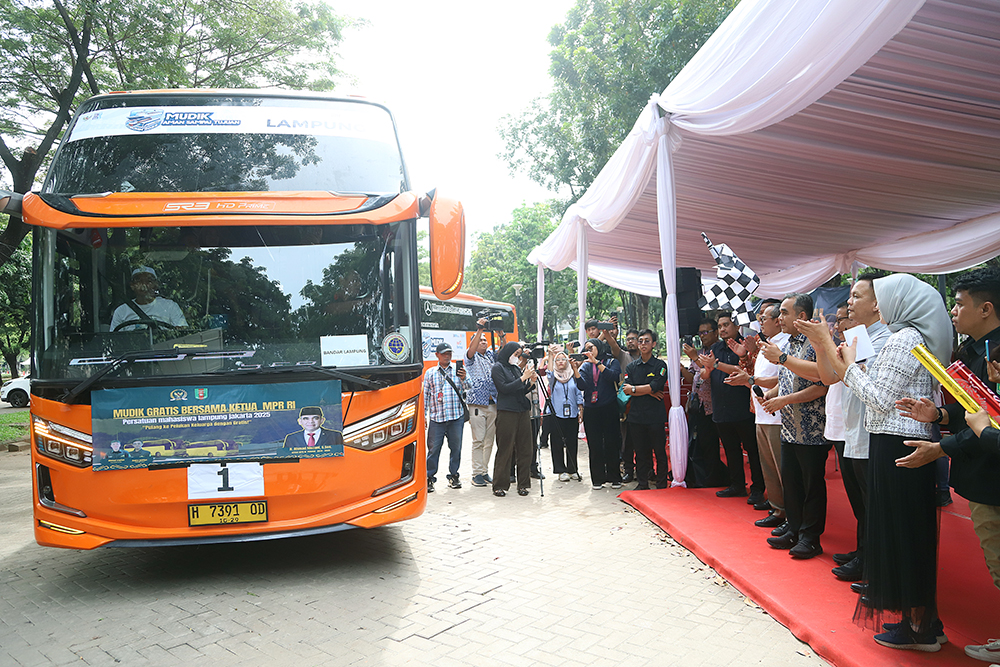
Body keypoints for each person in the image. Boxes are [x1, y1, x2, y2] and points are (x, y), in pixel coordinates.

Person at [824, 273, 952, 652]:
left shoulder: (903, 339)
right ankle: (925, 621)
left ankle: (918, 628)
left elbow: (879, 399)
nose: (858, 302)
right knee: (909, 532)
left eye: (870, 295)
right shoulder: (914, 338)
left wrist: (848, 369)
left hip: (896, 445)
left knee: (902, 534)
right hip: (903, 443)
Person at [892, 267, 1000, 659]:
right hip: (981, 472)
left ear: (986, 308)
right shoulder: (974, 349)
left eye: (958, 304)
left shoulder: (996, 352)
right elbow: (974, 413)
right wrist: (938, 417)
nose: (952, 312)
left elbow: (992, 424)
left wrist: (941, 448)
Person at [798, 274, 891, 583]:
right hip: (852, 431)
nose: (848, 303)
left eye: (856, 297)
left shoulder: (884, 338)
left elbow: (859, 381)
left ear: (877, 304)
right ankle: (865, 553)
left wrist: (825, 342)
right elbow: (831, 377)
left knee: (871, 505)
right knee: (861, 504)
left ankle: (873, 563)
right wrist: (822, 346)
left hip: (868, 432)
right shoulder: (858, 337)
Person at [758, 294, 828, 560]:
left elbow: (821, 383)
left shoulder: (815, 342)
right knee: (792, 482)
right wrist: (773, 392)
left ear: (801, 316)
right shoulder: (788, 342)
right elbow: (789, 377)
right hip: (789, 426)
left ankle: (811, 538)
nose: (779, 319)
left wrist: (783, 399)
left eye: (784, 313)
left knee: (812, 485)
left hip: (812, 429)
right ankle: (795, 529)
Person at [725, 302, 789, 529]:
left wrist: (750, 380)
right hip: (761, 413)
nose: (760, 322)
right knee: (768, 466)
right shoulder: (765, 346)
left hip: (778, 414)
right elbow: (755, 376)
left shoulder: (785, 344)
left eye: (764, 319)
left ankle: (790, 514)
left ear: (777, 322)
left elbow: (782, 378)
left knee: (782, 467)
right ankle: (778, 508)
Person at [699, 312, 765, 502]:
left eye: (726, 324)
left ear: (737, 326)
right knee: (730, 449)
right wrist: (708, 368)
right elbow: (705, 373)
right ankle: (737, 485)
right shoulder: (715, 348)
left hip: (743, 406)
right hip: (721, 407)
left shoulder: (747, 346)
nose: (723, 329)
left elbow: (745, 371)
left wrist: (716, 365)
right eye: (720, 326)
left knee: (752, 449)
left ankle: (758, 487)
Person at [682, 319, 729, 488]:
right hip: (698, 405)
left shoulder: (718, 350)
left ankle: (717, 477)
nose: (702, 336)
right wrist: (681, 368)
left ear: (715, 332)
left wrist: (695, 357)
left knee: (715, 443)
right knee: (701, 442)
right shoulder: (701, 351)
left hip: (716, 405)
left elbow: (709, 372)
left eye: (706, 332)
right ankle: (702, 476)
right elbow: (692, 377)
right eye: (700, 333)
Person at [621, 329, 669, 489]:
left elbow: (657, 385)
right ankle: (642, 483)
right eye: (640, 341)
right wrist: (648, 391)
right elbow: (627, 389)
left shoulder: (660, 365)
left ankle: (661, 483)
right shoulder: (632, 366)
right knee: (640, 453)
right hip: (636, 416)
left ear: (654, 344)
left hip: (655, 416)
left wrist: (637, 390)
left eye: (646, 341)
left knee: (659, 452)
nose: (642, 344)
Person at [575, 338, 623, 489]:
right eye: (587, 348)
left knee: (612, 442)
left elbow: (613, 376)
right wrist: (575, 369)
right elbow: (582, 385)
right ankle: (598, 479)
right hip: (591, 408)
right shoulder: (585, 366)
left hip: (609, 406)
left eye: (592, 347)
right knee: (594, 444)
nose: (589, 350)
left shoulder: (610, 361)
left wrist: (597, 362)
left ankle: (614, 477)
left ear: (600, 347)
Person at [422, 342, 469, 493]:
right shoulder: (430, 373)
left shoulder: (458, 369)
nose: (447, 356)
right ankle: (429, 478)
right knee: (433, 450)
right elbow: (426, 396)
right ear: (437, 355)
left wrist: (465, 378)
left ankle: (454, 476)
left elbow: (469, 388)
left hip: (456, 417)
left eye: (449, 353)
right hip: (437, 419)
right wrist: (423, 415)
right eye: (444, 353)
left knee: (456, 448)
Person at [491, 342, 536, 497]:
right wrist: (523, 378)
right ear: (508, 352)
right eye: (515, 354)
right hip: (507, 412)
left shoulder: (516, 368)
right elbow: (504, 388)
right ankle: (499, 485)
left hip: (522, 410)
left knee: (525, 448)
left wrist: (530, 383)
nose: (517, 357)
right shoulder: (498, 367)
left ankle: (523, 484)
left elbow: (520, 390)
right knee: (505, 448)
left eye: (519, 355)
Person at [466, 318, 500, 487]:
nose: (483, 342)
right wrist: (479, 330)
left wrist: (502, 337)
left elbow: (505, 355)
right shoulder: (471, 358)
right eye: (480, 340)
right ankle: (476, 473)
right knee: (478, 440)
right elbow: (470, 351)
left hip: (493, 403)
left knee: (489, 440)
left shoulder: (490, 357)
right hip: (477, 404)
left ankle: (484, 472)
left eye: (485, 340)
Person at [545, 347, 584, 482]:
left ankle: (572, 469)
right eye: (558, 360)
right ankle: (560, 470)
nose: (561, 362)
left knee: (572, 442)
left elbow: (578, 392)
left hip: (572, 413)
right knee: (556, 443)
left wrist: (580, 409)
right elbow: (548, 372)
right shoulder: (553, 377)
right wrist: (550, 355)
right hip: (557, 414)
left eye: (563, 359)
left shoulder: (573, 375)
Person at [110, 266, 188, 332]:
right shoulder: (121, 311)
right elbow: (115, 341)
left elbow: (182, 334)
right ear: (132, 285)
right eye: (139, 281)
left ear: (155, 285)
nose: (144, 285)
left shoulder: (170, 306)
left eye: (149, 281)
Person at [620, 328, 642, 483]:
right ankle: (628, 470)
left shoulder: (650, 361)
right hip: (628, 407)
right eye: (628, 339)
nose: (630, 341)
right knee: (628, 441)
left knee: (644, 442)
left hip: (646, 407)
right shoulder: (624, 357)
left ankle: (646, 471)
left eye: (634, 339)